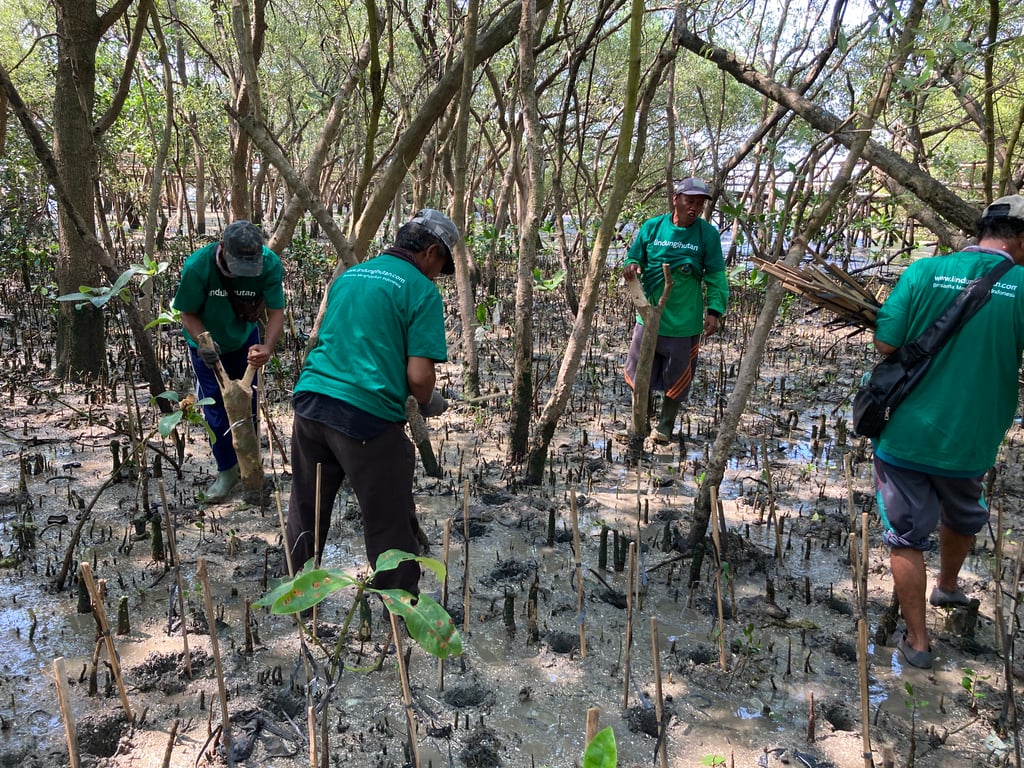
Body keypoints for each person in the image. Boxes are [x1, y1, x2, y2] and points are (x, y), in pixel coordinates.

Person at [873, 195, 1024, 670]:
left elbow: (886, 341)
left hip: (905, 431)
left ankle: (917, 643)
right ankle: (949, 586)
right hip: (973, 437)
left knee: (905, 537)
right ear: (1020, 238)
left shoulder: (923, 271)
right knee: (961, 513)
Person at [285, 208, 456, 595]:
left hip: (311, 404)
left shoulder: (351, 275)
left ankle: (296, 597)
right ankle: (401, 611)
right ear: (430, 251)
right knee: (387, 521)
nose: (437, 276)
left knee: (306, 511)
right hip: (364, 417)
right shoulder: (421, 289)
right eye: (440, 265)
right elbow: (418, 377)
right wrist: (428, 399)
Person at [173, 220, 286, 501]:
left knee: (247, 403)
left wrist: (267, 346)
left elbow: (275, 312)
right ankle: (227, 470)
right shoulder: (198, 266)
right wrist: (203, 342)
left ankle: (251, 468)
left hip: (244, 338)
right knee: (214, 407)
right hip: (207, 344)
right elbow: (187, 314)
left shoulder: (270, 264)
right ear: (222, 249)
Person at [623, 177, 729, 443]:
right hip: (647, 318)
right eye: (689, 202)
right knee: (639, 373)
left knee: (678, 377)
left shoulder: (708, 235)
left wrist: (715, 310)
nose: (694, 208)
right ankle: (640, 423)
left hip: (684, 321)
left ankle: (664, 428)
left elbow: (716, 276)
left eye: (700, 204)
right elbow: (635, 256)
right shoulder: (652, 227)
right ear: (676, 199)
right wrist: (632, 265)